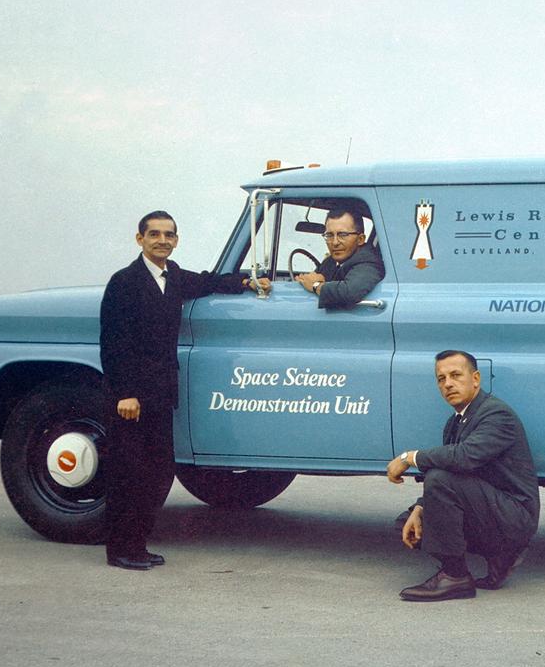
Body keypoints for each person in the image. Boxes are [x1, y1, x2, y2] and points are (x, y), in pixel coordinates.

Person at [100, 210, 269, 570]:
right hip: (133, 396)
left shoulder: (172, 276)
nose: (162, 240)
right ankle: (120, 549)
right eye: (155, 234)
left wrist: (245, 284)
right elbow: (113, 343)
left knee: (158, 471)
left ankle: (138, 543)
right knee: (129, 472)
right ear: (140, 239)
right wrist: (124, 394)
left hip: (161, 391)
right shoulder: (124, 282)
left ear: (176, 240)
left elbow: (207, 282)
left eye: (169, 235)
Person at [388, 350, 541, 601]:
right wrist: (421, 508)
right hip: (488, 509)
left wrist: (409, 458)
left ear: (476, 379)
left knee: (437, 478)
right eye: (441, 378)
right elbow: (454, 470)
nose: (448, 383)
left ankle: (455, 576)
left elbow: (464, 457)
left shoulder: (496, 414)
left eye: (456, 375)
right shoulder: (454, 422)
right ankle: (499, 557)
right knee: (408, 523)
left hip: (513, 517)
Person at [294, 203, 385, 309]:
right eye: (329, 235)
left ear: (360, 239)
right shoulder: (330, 262)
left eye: (342, 235)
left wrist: (316, 286)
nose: (335, 242)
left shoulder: (369, 261)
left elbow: (349, 292)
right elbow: (313, 279)